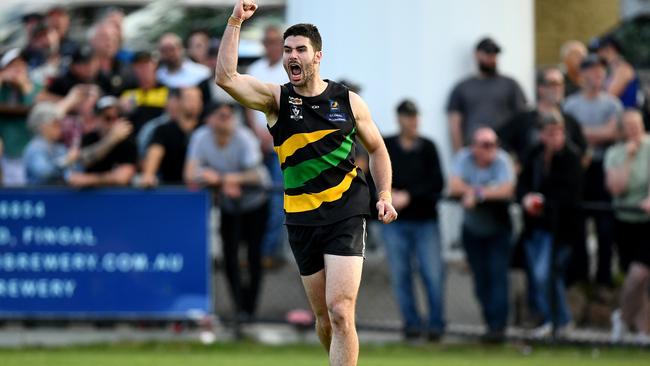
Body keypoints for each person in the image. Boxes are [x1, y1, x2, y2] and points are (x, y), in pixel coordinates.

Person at [215, 1, 398, 364]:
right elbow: (226, 78)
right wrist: (235, 20)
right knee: (325, 319)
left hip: (347, 212)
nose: (291, 56)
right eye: (287, 51)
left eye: (300, 50)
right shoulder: (277, 100)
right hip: (301, 219)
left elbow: (378, 150)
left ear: (318, 57)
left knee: (342, 311)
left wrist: (385, 194)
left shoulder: (348, 101)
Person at [185, 102, 269, 322]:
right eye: (221, 115)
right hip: (228, 205)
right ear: (209, 119)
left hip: (254, 203)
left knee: (253, 256)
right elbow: (190, 173)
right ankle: (239, 308)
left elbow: (257, 175)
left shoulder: (244, 138)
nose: (226, 119)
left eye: (229, 116)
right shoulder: (201, 137)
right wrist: (218, 182)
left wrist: (222, 179)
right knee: (229, 257)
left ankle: (251, 310)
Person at [382, 100, 445, 341]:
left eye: (415, 116)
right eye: (408, 116)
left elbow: (437, 184)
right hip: (394, 223)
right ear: (399, 119)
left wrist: (409, 196)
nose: (413, 121)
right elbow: (375, 176)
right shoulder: (387, 145)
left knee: (432, 274)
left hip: (425, 222)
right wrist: (390, 195)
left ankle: (436, 326)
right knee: (401, 275)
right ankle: (412, 326)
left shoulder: (428, 147)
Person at [517, 111, 583, 338]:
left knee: (546, 274)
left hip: (560, 229)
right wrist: (526, 198)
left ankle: (561, 320)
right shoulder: (534, 154)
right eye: (549, 132)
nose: (554, 137)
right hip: (535, 227)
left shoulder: (571, 157)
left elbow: (570, 194)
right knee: (539, 276)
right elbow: (522, 183)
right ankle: (552, 320)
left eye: (557, 132)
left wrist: (544, 201)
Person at [448, 127, 515, 342]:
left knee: (498, 278)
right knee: (480, 281)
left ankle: (498, 329)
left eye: (493, 144)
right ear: (473, 146)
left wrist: (477, 194)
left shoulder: (502, 161)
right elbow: (454, 186)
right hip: (473, 232)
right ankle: (490, 324)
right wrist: (477, 192)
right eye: (485, 145)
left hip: (498, 230)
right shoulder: (464, 158)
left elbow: (506, 189)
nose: (490, 149)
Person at [563, 54, 623, 287]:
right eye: (592, 70)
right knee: (577, 223)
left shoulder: (612, 104)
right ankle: (579, 276)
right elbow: (569, 136)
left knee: (605, 224)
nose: (597, 75)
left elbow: (614, 134)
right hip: (579, 169)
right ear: (583, 74)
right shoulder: (571, 104)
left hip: (604, 168)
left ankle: (604, 279)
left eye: (601, 71)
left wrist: (584, 133)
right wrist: (599, 132)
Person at [604, 109, 650, 344]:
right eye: (629, 126)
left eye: (638, 125)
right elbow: (616, 189)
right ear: (622, 130)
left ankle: (622, 318)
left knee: (640, 273)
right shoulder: (615, 153)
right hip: (625, 220)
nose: (634, 130)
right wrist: (630, 158)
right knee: (636, 279)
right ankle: (643, 331)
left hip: (647, 222)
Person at [245, 25, 287, 267]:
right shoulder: (255, 69)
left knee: (275, 200)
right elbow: (248, 106)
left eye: (275, 42)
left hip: (279, 145)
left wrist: (272, 137)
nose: (271, 46)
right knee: (255, 198)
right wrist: (258, 133)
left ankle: (268, 251)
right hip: (257, 142)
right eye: (268, 41)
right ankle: (255, 249)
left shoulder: (287, 70)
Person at [447, 37, 527, 152]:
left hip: (503, 151)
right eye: (488, 53)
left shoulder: (510, 85)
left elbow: (522, 120)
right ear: (476, 55)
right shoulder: (462, 87)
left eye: (495, 54)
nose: (492, 58)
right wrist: (459, 155)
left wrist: (520, 156)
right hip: (473, 152)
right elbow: (454, 124)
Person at [499, 67, 587, 166]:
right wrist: (513, 164)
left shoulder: (570, 120)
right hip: (531, 178)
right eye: (553, 84)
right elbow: (501, 141)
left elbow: (583, 152)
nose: (558, 88)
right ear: (540, 88)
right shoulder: (523, 119)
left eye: (561, 84)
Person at [67, 96, 136, 188]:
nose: (113, 122)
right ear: (97, 118)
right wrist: (111, 139)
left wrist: (89, 180)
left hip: (119, 196)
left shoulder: (128, 141)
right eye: (108, 118)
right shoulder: (89, 137)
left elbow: (123, 178)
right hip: (90, 196)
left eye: (117, 117)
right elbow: (85, 161)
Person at [139, 87, 202, 186]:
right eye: (189, 98)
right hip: (170, 187)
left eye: (198, 99)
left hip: (199, 187)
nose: (194, 103)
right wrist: (149, 174)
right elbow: (155, 151)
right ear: (179, 102)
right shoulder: (164, 130)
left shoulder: (204, 130)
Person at [0, 48, 43, 186]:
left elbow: (37, 112)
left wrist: (25, 87)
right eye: (12, 65)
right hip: (5, 154)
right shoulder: (2, 89)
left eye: (21, 65)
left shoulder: (36, 87)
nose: (18, 70)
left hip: (30, 154)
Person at [119, 51, 169, 133]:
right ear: (133, 68)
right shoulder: (128, 93)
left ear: (154, 65)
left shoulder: (166, 90)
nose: (144, 69)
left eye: (147, 64)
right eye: (139, 66)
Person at [595, 35, 640, 108]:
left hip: (626, 114)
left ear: (611, 49)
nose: (598, 54)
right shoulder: (610, 69)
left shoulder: (623, 69)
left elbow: (609, 96)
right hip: (614, 114)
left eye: (600, 50)